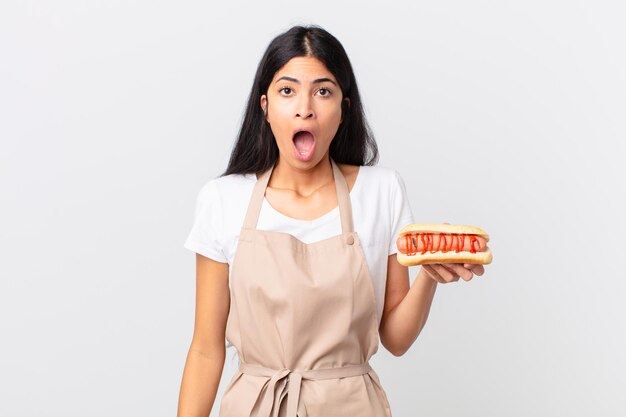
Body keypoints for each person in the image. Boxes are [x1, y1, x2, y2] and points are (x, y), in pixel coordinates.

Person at [177, 25, 485, 417]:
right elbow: (206, 348)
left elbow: (396, 339)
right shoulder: (223, 199)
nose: (305, 107)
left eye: (323, 91)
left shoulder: (382, 191)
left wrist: (427, 275)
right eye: (287, 90)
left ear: (344, 109)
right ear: (265, 106)